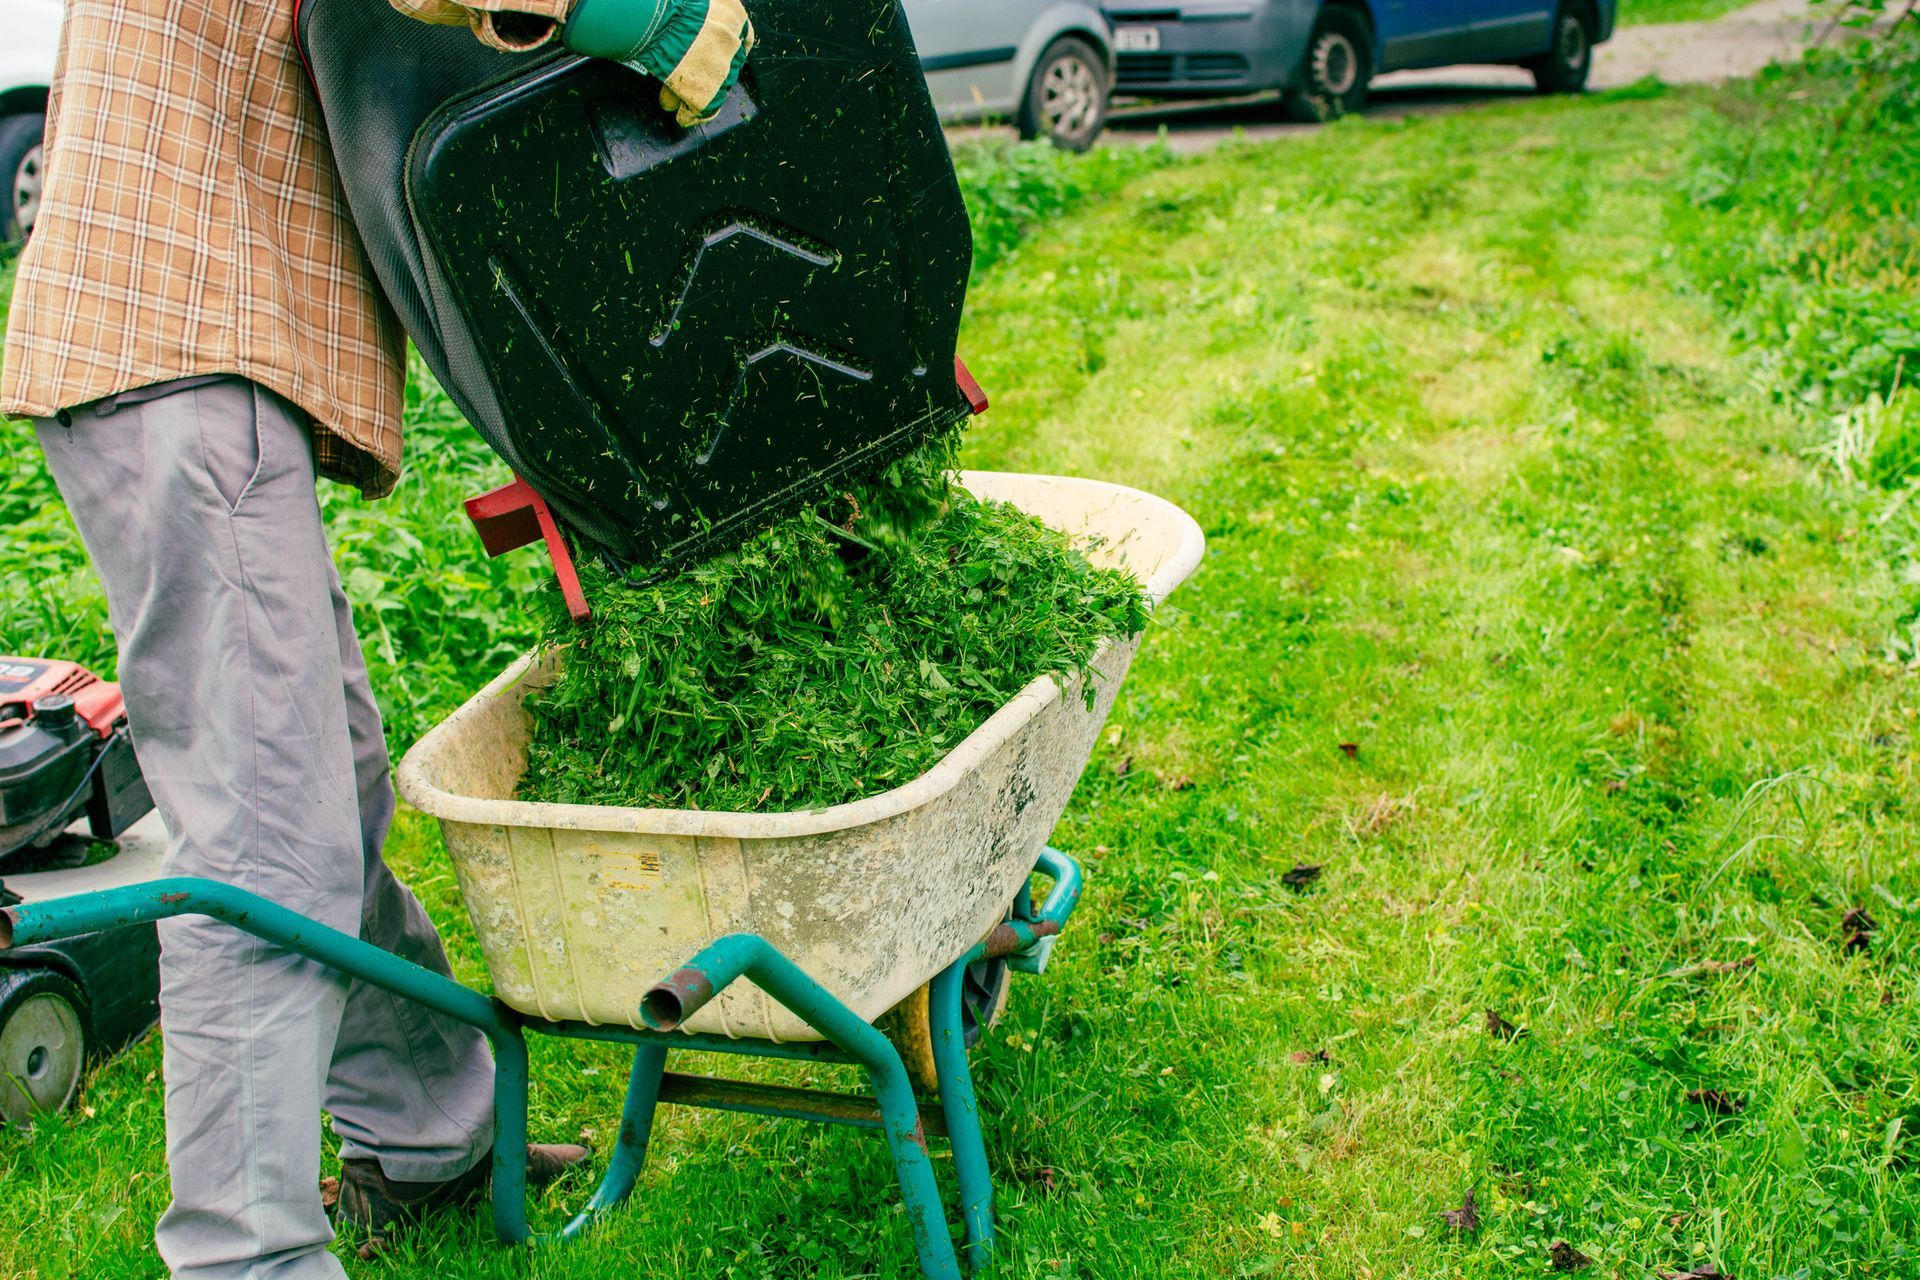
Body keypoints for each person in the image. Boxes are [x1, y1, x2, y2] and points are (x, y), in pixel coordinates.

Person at [0, 1, 750, 1276]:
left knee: (326, 786)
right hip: (176, 330)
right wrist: (648, 15)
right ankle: (246, 1256)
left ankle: (424, 1137)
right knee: (267, 833)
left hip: (182, 345)